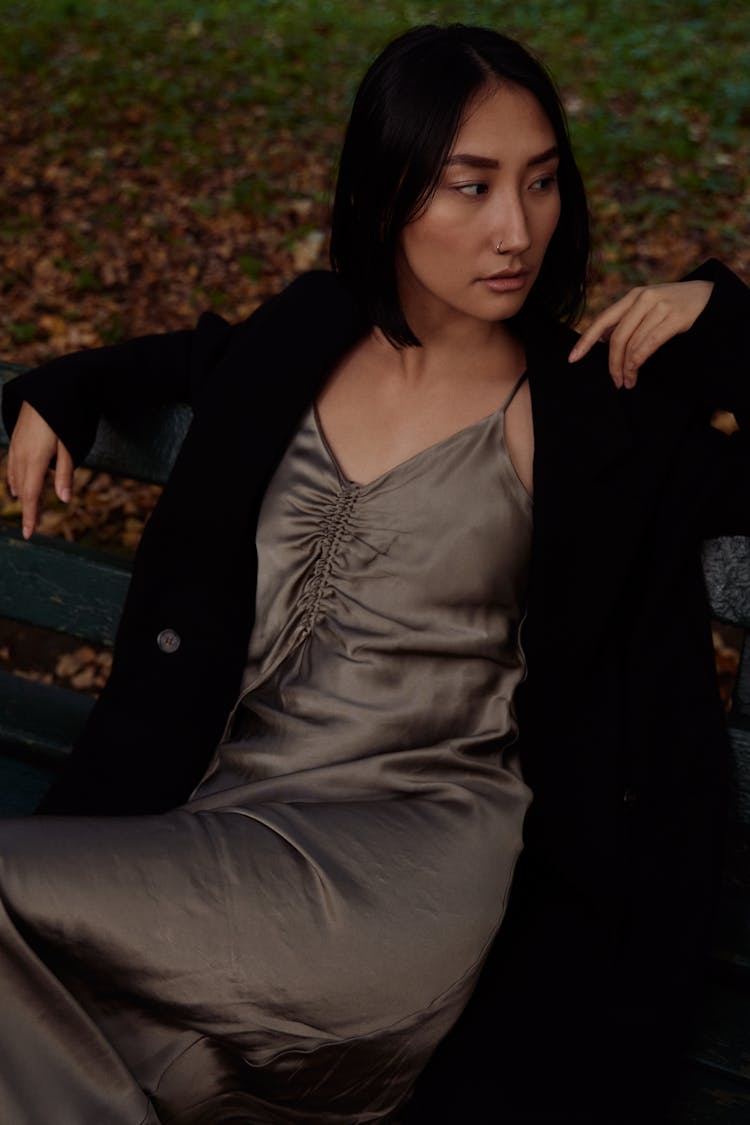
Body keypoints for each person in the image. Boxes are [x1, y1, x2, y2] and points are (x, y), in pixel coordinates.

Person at [1, 22, 748, 1125]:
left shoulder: (596, 409)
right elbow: (176, 360)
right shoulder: (307, 334)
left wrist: (727, 316)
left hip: (403, 874)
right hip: (219, 829)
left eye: (541, 183)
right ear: (388, 192)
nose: (517, 230)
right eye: (471, 187)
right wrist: (61, 390)